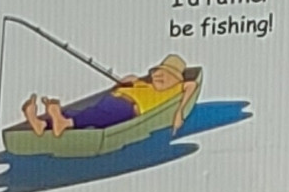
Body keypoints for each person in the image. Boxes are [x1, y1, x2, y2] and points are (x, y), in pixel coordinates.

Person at [21, 54, 197, 138]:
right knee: (87, 112)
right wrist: (125, 82)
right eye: (157, 72)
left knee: (96, 115)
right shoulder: (142, 82)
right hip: (114, 99)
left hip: (128, 107)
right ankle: (46, 123)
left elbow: (192, 85)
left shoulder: (176, 89)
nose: (159, 76)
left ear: (176, 79)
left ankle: (60, 122)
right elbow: (120, 85)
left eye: (166, 75)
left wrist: (179, 112)